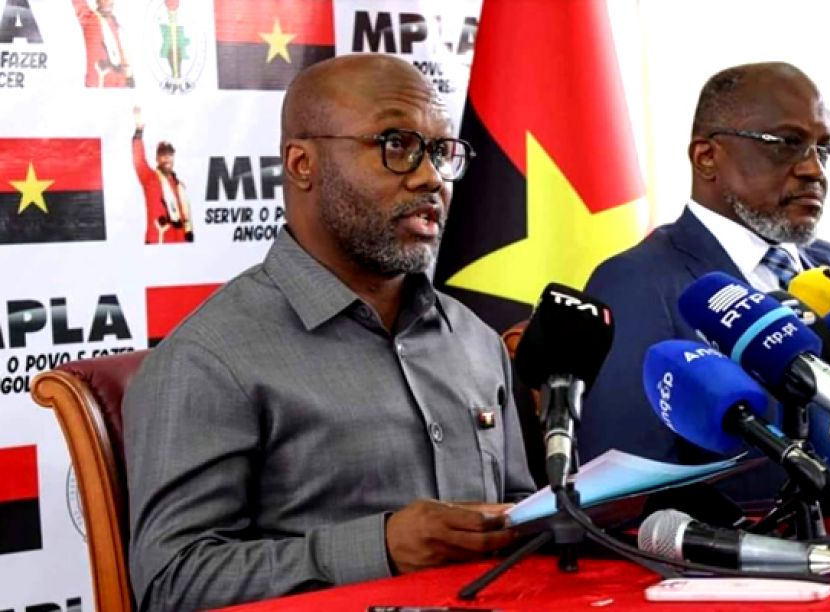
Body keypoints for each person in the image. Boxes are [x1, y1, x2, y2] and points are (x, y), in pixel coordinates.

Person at [123, 54, 535, 611]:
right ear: (302, 164)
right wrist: (380, 548)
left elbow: (519, 514)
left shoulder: (474, 339)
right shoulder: (207, 359)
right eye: (396, 145)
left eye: (441, 152)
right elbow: (172, 585)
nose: (430, 177)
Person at [578, 62, 830, 506]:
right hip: (746, 545)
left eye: (824, 149)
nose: (815, 170)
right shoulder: (636, 282)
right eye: (787, 144)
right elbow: (628, 494)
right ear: (707, 157)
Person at [132, 106, 195, 244]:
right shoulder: (150, 178)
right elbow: (139, 160)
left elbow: (185, 217)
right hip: (158, 243)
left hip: (180, 243)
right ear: (157, 159)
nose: (166, 158)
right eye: (162, 154)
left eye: (169, 154)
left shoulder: (179, 185)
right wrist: (139, 132)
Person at [71, 0, 134, 87]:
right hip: (98, 86)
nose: (109, 2)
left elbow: (124, 57)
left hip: (121, 86)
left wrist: (129, 79)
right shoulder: (89, 19)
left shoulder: (117, 25)